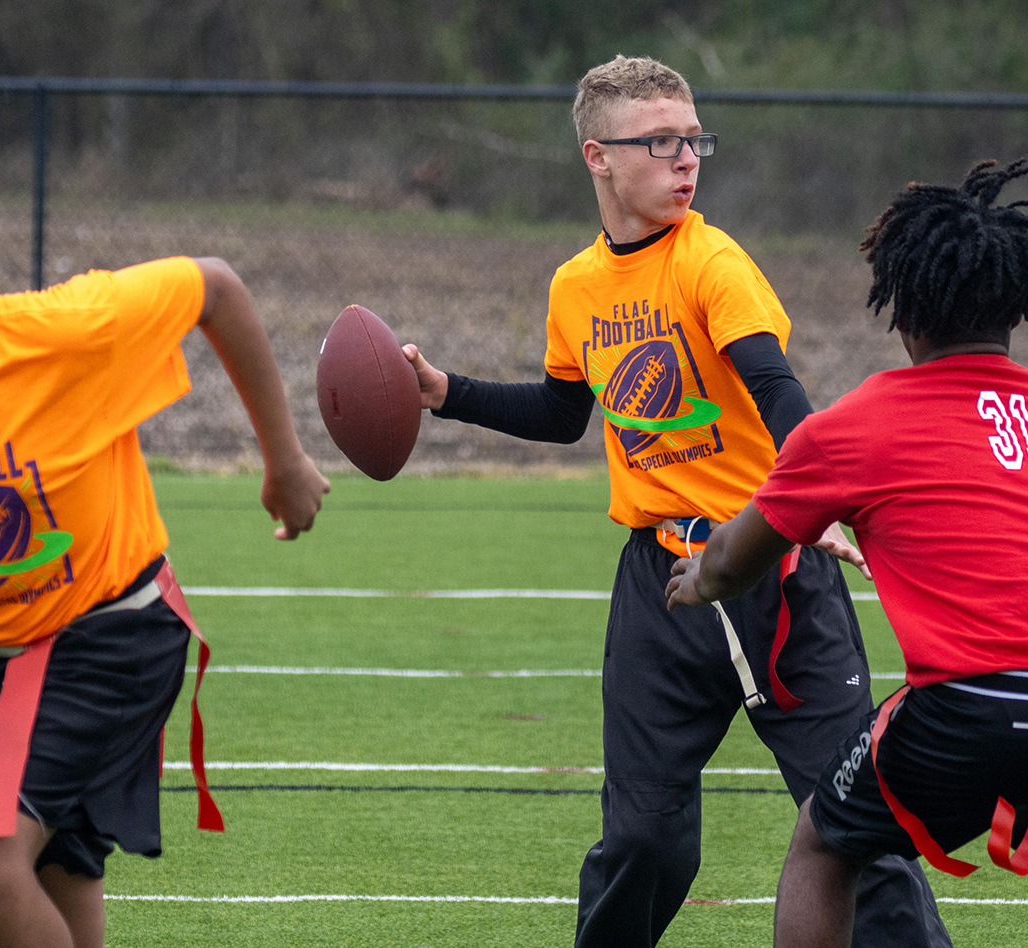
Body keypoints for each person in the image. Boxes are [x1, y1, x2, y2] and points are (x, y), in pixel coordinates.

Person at [403, 55, 948, 948]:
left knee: (857, 827)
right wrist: (446, 393)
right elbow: (562, 414)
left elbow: (774, 389)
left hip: (771, 568)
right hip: (659, 586)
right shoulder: (576, 285)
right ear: (598, 156)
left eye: (693, 139)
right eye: (659, 142)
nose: (686, 158)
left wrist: (820, 496)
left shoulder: (712, 260)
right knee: (642, 840)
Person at [666, 159, 1028, 948]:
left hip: (981, 702)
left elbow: (734, 561)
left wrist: (699, 578)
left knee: (824, 844)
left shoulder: (853, 425)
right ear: (1016, 306)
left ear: (901, 310)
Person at [0, 155, 330, 948]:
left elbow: (216, 289)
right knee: (56, 881)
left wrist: (284, 461)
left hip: (109, 635)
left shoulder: (68, 332)